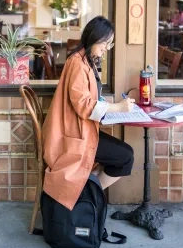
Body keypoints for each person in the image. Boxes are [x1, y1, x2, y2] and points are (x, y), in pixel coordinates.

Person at [41, 16, 135, 211]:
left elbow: (87, 99)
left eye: (110, 43)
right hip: (73, 137)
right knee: (125, 156)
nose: (107, 48)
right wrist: (117, 108)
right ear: (94, 37)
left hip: (79, 131)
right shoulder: (78, 63)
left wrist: (112, 107)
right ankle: (87, 197)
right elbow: (83, 105)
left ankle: (85, 195)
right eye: (106, 42)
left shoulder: (84, 60)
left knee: (123, 155)